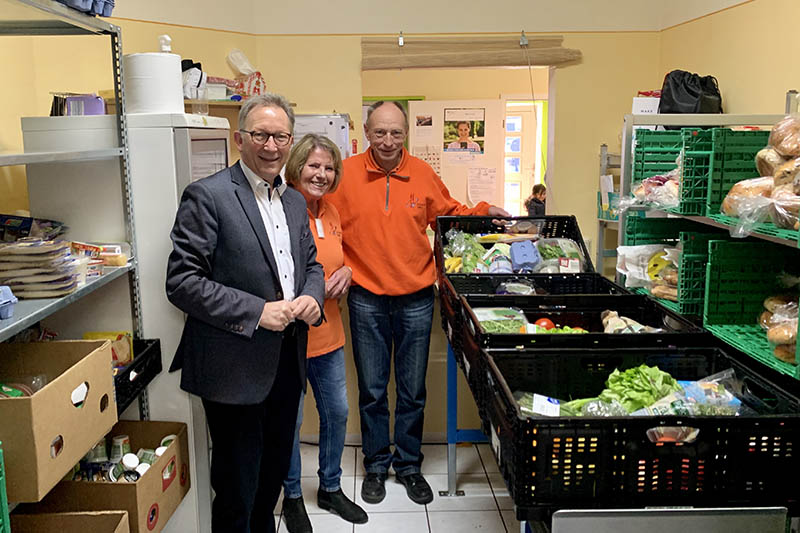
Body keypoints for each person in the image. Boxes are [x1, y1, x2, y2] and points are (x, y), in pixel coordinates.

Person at [327, 101, 508, 506]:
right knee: (373, 390)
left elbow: (449, 214)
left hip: (415, 299)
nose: (387, 141)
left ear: (405, 133)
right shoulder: (346, 175)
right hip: (366, 298)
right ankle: (376, 465)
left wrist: (484, 211)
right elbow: (322, 219)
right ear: (368, 132)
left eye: (395, 133)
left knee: (412, 390)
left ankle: (408, 465)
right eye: (379, 133)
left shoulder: (422, 173)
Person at [165, 93, 325, 533]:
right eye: (260, 135)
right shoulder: (208, 196)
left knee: (271, 479)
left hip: (286, 363)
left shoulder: (293, 201)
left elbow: (311, 263)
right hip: (234, 369)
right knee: (237, 488)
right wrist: (258, 311)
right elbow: (182, 282)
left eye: (280, 137)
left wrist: (312, 295)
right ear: (240, 139)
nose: (271, 146)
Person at [280, 134, 367, 532]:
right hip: (289, 339)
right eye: (314, 166)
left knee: (337, 412)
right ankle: (293, 496)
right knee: (291, 421)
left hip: (330, 335)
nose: (321, 174)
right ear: (297, 166)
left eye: (329, 168)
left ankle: (330, 487)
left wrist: (347, 272)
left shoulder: (330, 212)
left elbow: (338, 260)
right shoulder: (280, 208)